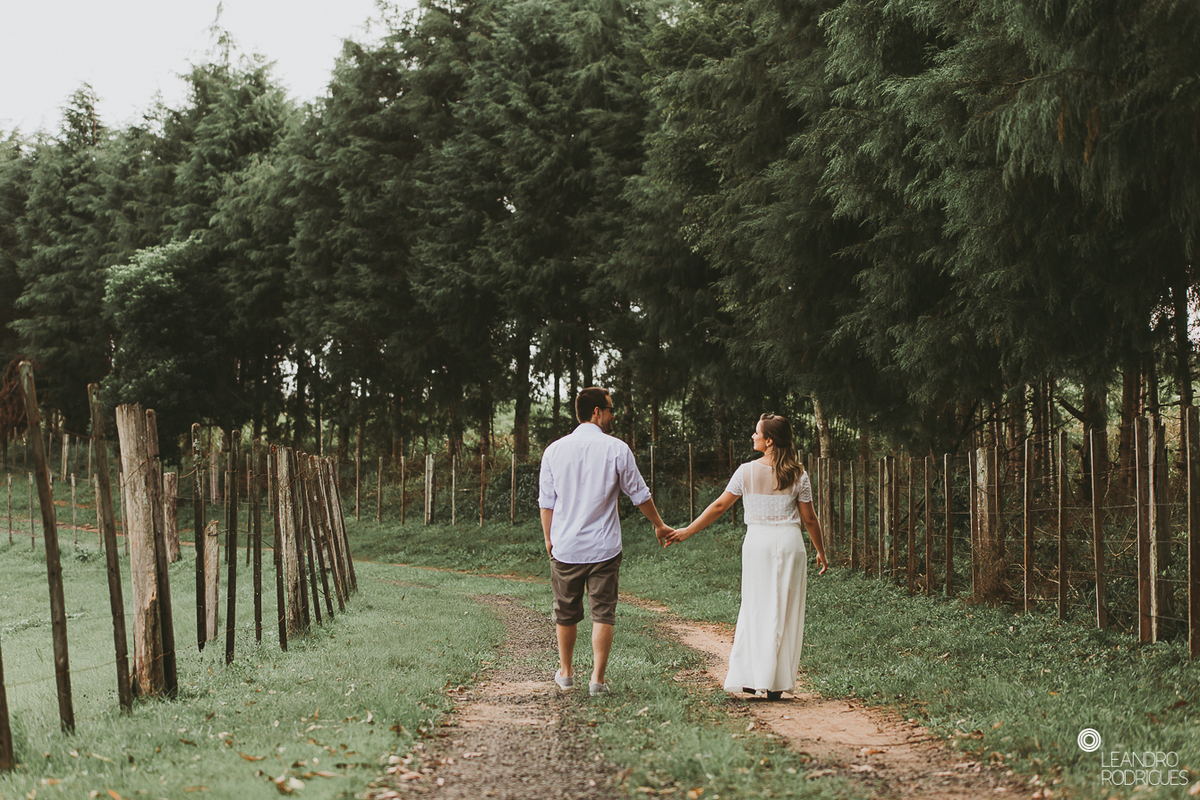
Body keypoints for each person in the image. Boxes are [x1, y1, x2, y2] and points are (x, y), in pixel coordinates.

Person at [666, 413, 827, 700]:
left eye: (757, 433)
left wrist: (687, 531)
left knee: (757, 607)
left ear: (769, 440)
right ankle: (777, 682)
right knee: (785, 611)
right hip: (790, 543)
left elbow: (718, 506)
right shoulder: (798, 474)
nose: (753, 437)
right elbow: (810, 520)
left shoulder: (746, 472)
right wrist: (821, 551)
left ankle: (754, 678)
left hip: (758, 543)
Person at [538, 387, 672, 696]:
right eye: (610, 409)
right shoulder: (617, 449)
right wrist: (659, 525)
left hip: (567, 546)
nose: (613, 415)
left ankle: (567, 674)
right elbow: (640, 494)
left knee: (566, 612)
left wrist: (549, 539)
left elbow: (547, 502)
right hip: (604, 547)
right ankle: (597, 680)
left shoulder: (554, 450)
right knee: (603, 613)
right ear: (597, 412)